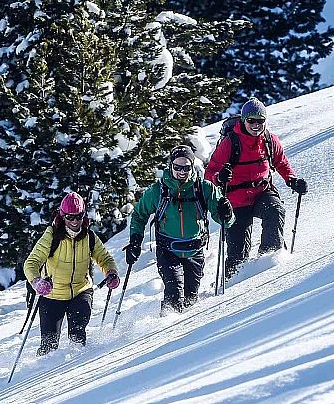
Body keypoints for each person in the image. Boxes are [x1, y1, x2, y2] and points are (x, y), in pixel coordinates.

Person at [125, 145, 235, 314]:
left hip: (195, 251)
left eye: (186, 167)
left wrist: (226, 213)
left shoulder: (204, 188)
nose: (182, 172)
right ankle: (164, 328)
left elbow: (224, 221)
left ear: (192, 166)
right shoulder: (158, 190)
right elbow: (139, 214)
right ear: (171, 166)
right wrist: (135, 240)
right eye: (177, 167)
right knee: (175, 295)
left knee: (191, 299)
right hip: (168, 251)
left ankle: (183, 334)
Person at [205, 97, 307, 279]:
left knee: (275, 211)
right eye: (251, 121)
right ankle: (233, 281)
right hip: (236, 199)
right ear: (244, 121)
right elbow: (210, 173)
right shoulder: (230, 143)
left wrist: (292, 180)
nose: (256, 125)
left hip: (262, 192)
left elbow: (281, 162)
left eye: (260, 121)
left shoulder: (269, 140)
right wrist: (219, 177)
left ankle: (268, 260)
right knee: (237, 253)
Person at [24, 191, 120, 355]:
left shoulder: (89, 236)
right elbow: (31, 263)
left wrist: (111, 272)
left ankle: (75, 368)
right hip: (52, 294)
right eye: (70, 217)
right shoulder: (51, 236)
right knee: (49, 345)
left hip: (81, 291)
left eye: (79, 216)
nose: (75, 221)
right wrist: (37, 282)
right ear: (62, 216)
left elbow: (104, 258)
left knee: (77, 335)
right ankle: (40, 373)